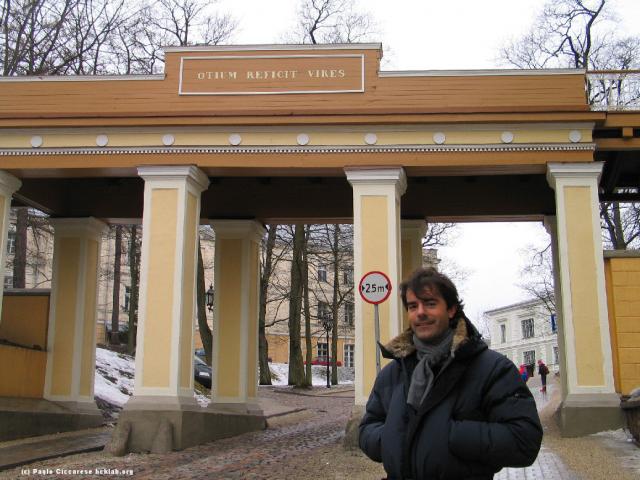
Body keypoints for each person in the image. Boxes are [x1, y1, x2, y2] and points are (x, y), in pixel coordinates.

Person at [359, 267, 542, 479]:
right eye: (412, 306)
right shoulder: (392, 374)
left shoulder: (492, 369)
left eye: (430, 303)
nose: (420, 312)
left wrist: (448, 433)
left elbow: (524, 440)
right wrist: (391, 438)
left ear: (451, 309)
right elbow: (367, 429)